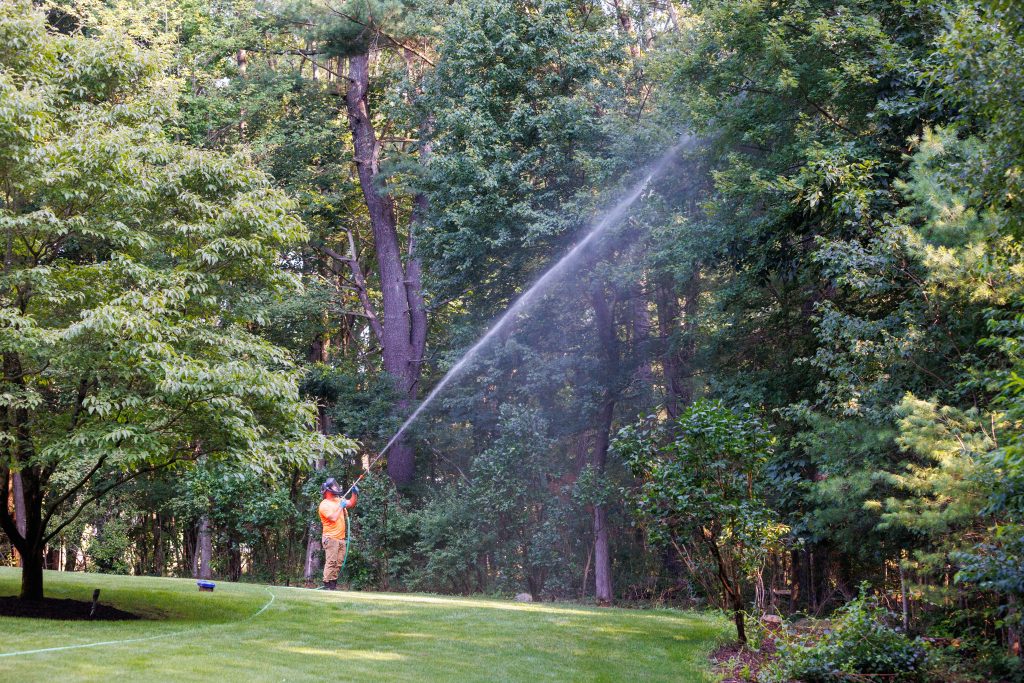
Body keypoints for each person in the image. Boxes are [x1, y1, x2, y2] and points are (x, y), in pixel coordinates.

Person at [318, 477, 358, 590]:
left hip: (341, 538)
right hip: (330, 538)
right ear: (327, 491)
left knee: (339, 562)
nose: (335, 488)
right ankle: (326, 584)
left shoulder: (338, 500)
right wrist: (341, 506)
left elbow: (351, 503)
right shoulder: (324, 505)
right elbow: (334, 517)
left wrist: (354, 493)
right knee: (331, 562)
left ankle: (333, 586)